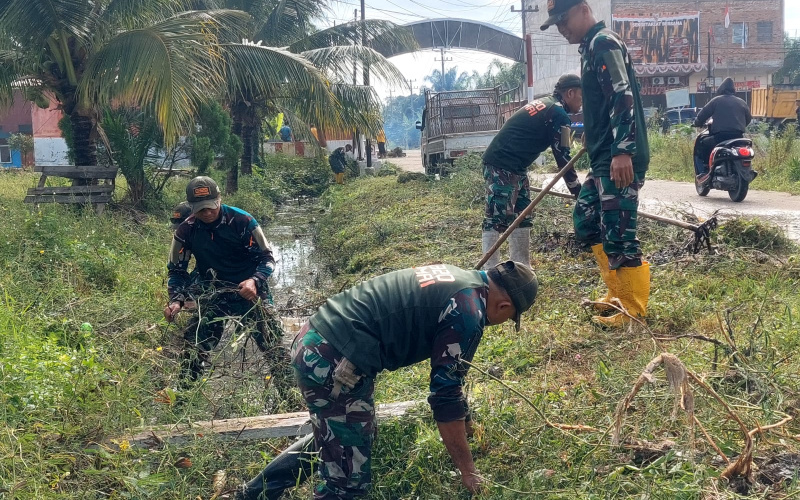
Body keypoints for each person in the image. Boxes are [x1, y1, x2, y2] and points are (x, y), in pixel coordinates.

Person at [287, 261, 537, 499]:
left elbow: (453, 377)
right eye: (511, 318)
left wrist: (468, 425)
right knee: (346, 483)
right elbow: (445, 396)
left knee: (351, 435)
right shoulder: (468, 313)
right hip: (331, 358)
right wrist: (469, 472)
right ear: (504, 307)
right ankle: (259, 491)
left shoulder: (460, 278)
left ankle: (255, 490)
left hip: (318, 336)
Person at [542, 0, 651, 327]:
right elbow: (603, 102)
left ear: (583, 8)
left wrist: (623, 150)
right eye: (556, 24)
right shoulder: (590, 48)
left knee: (620, 233)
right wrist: (592, 134)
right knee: (586, 219)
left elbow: (622, 95)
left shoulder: (604, 43)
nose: (561, 29)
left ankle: (632, 311)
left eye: (562, 20)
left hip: (619, 157)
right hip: (604, 155)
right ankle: (617, 294)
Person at [164, 176, 279, 383]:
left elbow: (268, 259)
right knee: (194, 349)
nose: (207, 213)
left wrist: (254, 280)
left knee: (274, 347)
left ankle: (290, 395)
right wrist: (175, 300)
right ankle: (183, 399)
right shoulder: (186, 231)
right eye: (200, 209)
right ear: (191, 207)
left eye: (211, 207)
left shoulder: (243, 222)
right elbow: (176, 272)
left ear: (219, 199)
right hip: (213, 292)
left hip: (250, 291)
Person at [481, 74, 584, 269]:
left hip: (517, 166)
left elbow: (564, 149)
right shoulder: (559, 113)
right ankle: (489, 272)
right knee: (498, 216)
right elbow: (563, 155)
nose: (582, 102)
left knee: (523, 214)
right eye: (581, 96)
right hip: (501, 162)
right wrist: (577, 189)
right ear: (570, 93)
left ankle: (521, 268)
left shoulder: (551, 107)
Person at [693, 77, 752, 184]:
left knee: (702, 143)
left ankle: (704, 171)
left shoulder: (716, 101)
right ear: (734, 90)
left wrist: (697, 122)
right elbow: (748, 119)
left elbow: (702, 115)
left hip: (720, 137)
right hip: (738, 137)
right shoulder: (742, 102)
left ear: (721, 90)